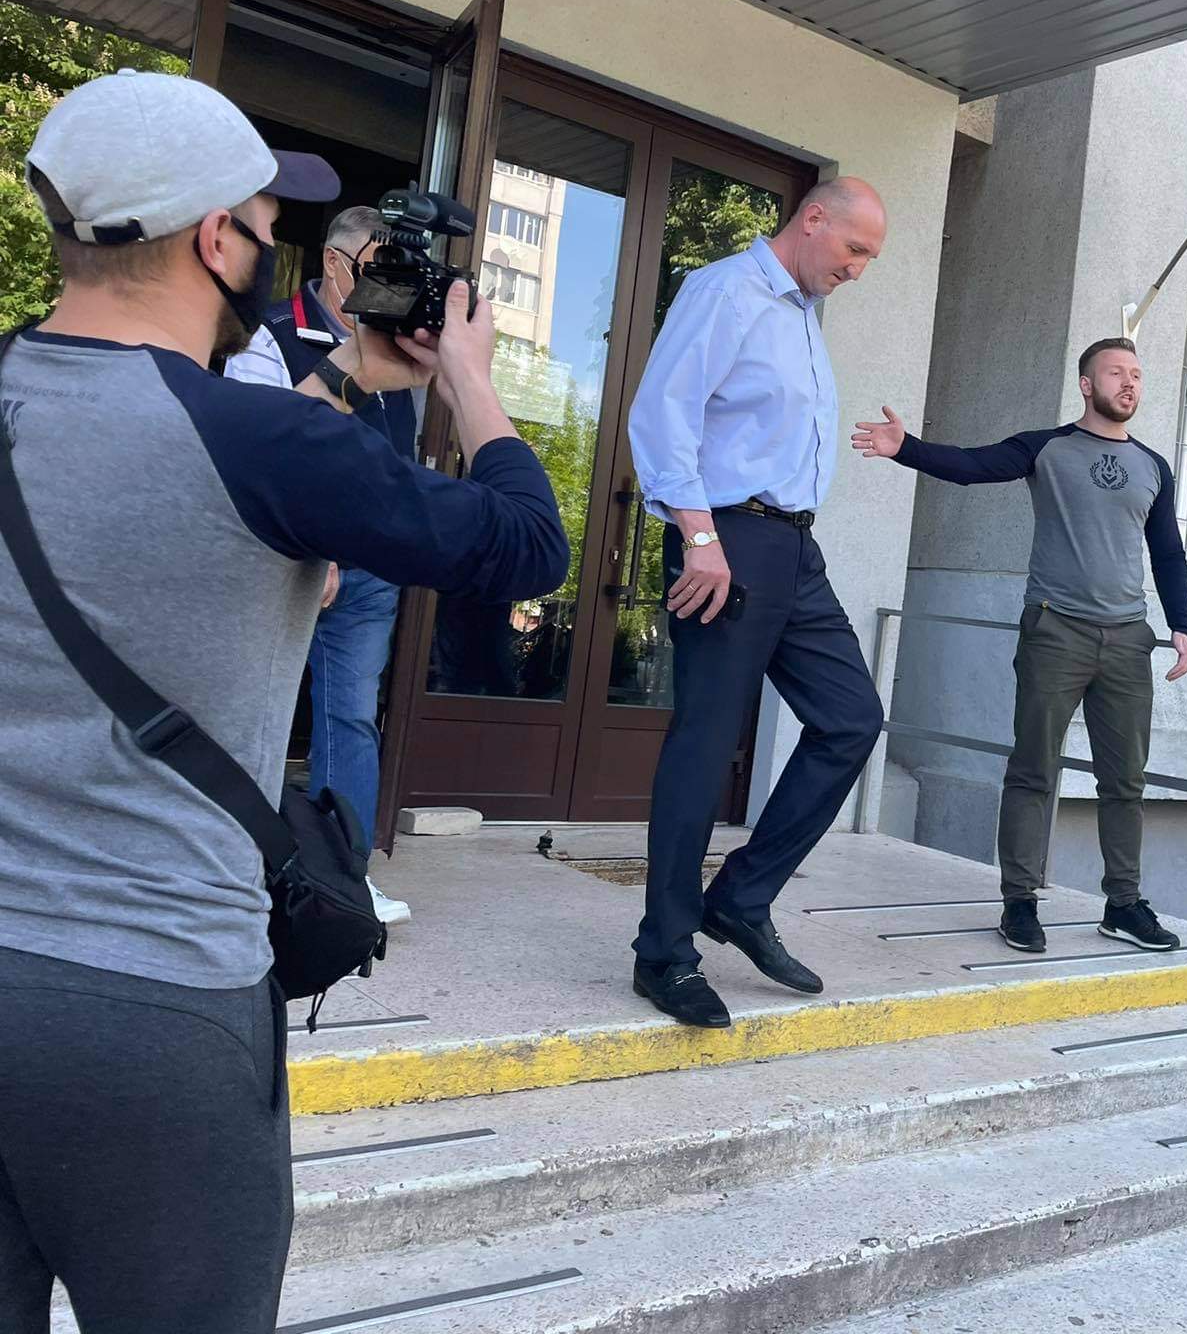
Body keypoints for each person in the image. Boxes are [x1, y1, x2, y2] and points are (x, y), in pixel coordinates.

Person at [0, 69, 568, 1334]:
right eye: (266, 223)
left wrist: (352, 373)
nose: (275, 246)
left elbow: (190, 457)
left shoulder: (245, 435)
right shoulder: (268, 450)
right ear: (216, 240)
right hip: (157, 1010)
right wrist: (466, 377)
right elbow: (529, 545)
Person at [625, 177, 887, 1029]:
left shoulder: (802, 312)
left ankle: (740, 898)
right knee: (706, 741)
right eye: (854, 250)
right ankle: (664, 952)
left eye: (869, 259)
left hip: (793, 550)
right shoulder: (726, 291)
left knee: (852, 719)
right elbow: (663, 413)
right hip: (726, 537)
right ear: (812, 220)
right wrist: (699, 536)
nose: (857, 271)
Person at [853, 337, 1187, 955]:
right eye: (1115, 373)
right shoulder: (1046, 448)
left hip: (1128, 639)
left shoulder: (1153, 466)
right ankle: (1019, 900)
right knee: (1034, 769)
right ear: (1086, 385)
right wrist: (905, 448)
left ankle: (1123, 903)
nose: (1129, 383)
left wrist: (1183, 623)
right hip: (1056, 630)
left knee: (1126, 779)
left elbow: (1167, 550)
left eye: (1136, 375)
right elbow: (972, 466)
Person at [225, 204, 416, 923]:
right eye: (376, 265)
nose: (388, 282)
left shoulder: (394, 352)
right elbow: (257, 456)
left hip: (368, 570)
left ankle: (343, 882)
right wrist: (313, 544)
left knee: (350, 718)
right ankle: (234, 868)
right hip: (286, 561)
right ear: (336, 263)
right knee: (250, 709)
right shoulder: (269, 336)